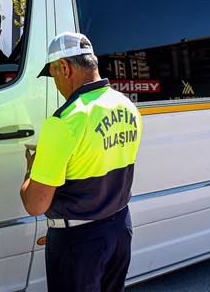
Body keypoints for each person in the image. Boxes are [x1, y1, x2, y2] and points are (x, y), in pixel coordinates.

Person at [20, 32, 142, 292]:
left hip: (79, 242)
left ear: (64, 68)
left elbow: (35, 204)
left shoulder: (64, 121)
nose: (56, 83)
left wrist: (32, 168)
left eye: (53, 75)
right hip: (120, 229)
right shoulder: (127, 106)